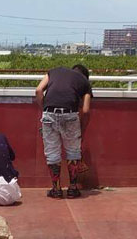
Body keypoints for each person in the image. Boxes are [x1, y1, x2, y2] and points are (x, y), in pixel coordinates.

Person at [35, 64, 93, 199]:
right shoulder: (84, 82)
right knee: (73, 151)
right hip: (70, 115)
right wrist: (82, 131)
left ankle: (56, 190)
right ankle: (72, 189)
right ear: (85, 76)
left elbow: (38, 90)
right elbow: (85, 110)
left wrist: (46, 110)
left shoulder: (55, 71)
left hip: (49, 114)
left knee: (52, 152)